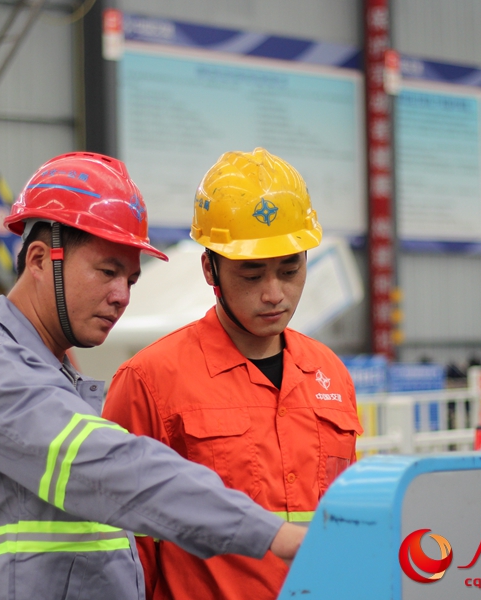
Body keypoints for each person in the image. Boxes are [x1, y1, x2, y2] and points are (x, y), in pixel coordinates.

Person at [0, 151, 305, 600]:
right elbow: (114, 469)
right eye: (108, 272)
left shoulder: (51, 374)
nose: (122, 296)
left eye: (131, 280)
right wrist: (274, 534)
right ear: (39, 260)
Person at [102, 148, 363, 600]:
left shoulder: (330, 375)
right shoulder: (150, 381)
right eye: (252, 275)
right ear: (210, 269)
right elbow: (122, 547)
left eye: (290, 270)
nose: (274, 294)